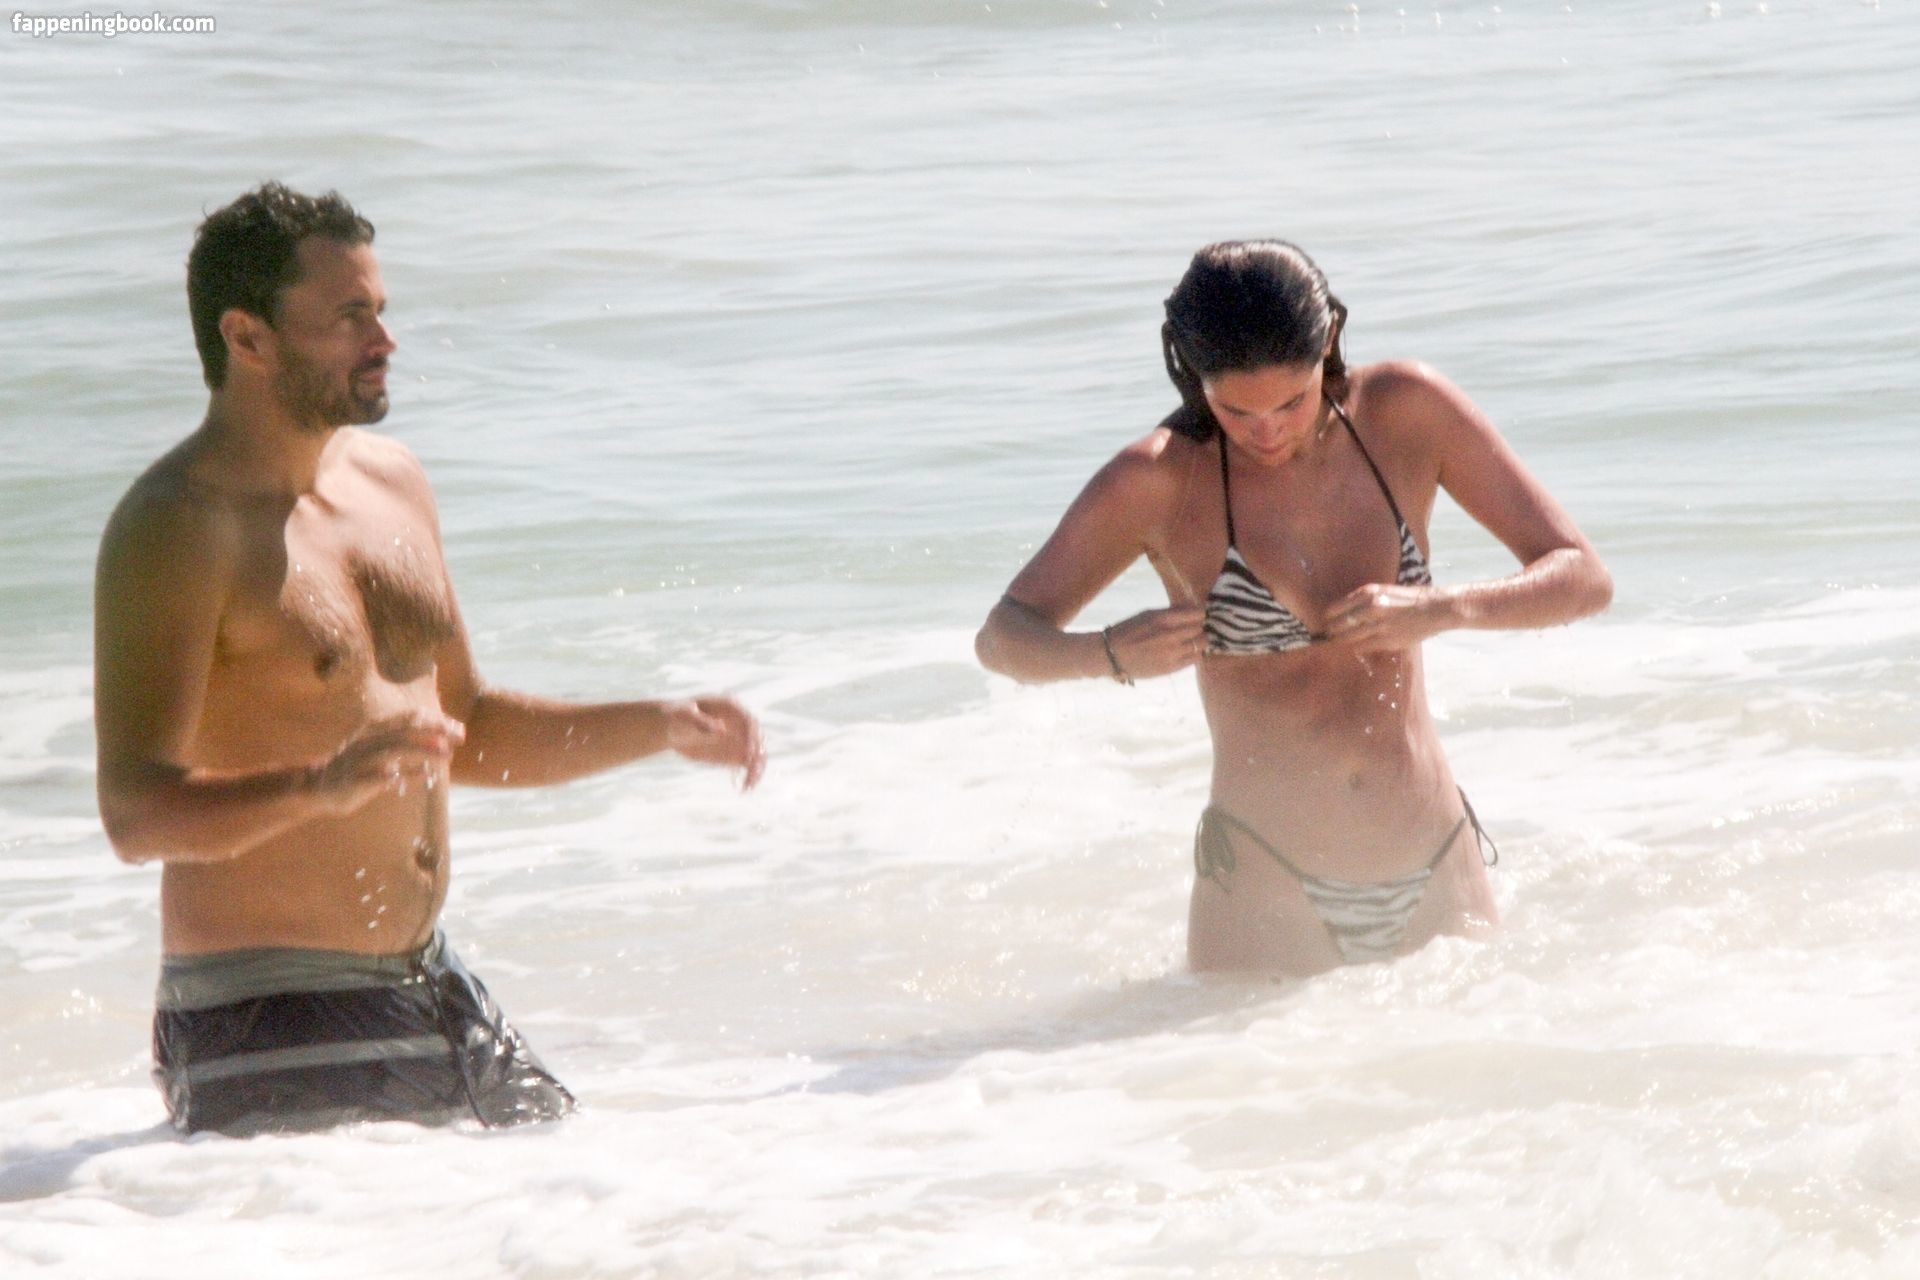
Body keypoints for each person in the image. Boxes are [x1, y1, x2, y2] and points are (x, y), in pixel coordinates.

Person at [93, 182, 766, 1135]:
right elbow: (135, 814)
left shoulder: (392, 483)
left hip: (432, 986)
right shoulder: (177, 528)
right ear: (247, 338)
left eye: (381, 308)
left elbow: (468, 728)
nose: (385, 340)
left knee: (601, 1180)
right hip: (268, 1013)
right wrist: (319, 786)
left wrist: (656, 726)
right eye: (349, 316)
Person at [975, 240, 1611, 976]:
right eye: (1236, 411)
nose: (1267, 431)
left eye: (1291, 401)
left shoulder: (1407, 413)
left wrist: (1444, 609)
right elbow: (1004, 638)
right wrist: (1109, 653)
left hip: (1435, 858)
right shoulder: (1159, 480)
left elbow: (1582, 575)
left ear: (1328, 342)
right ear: (1192, 374)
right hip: (1264, 883)